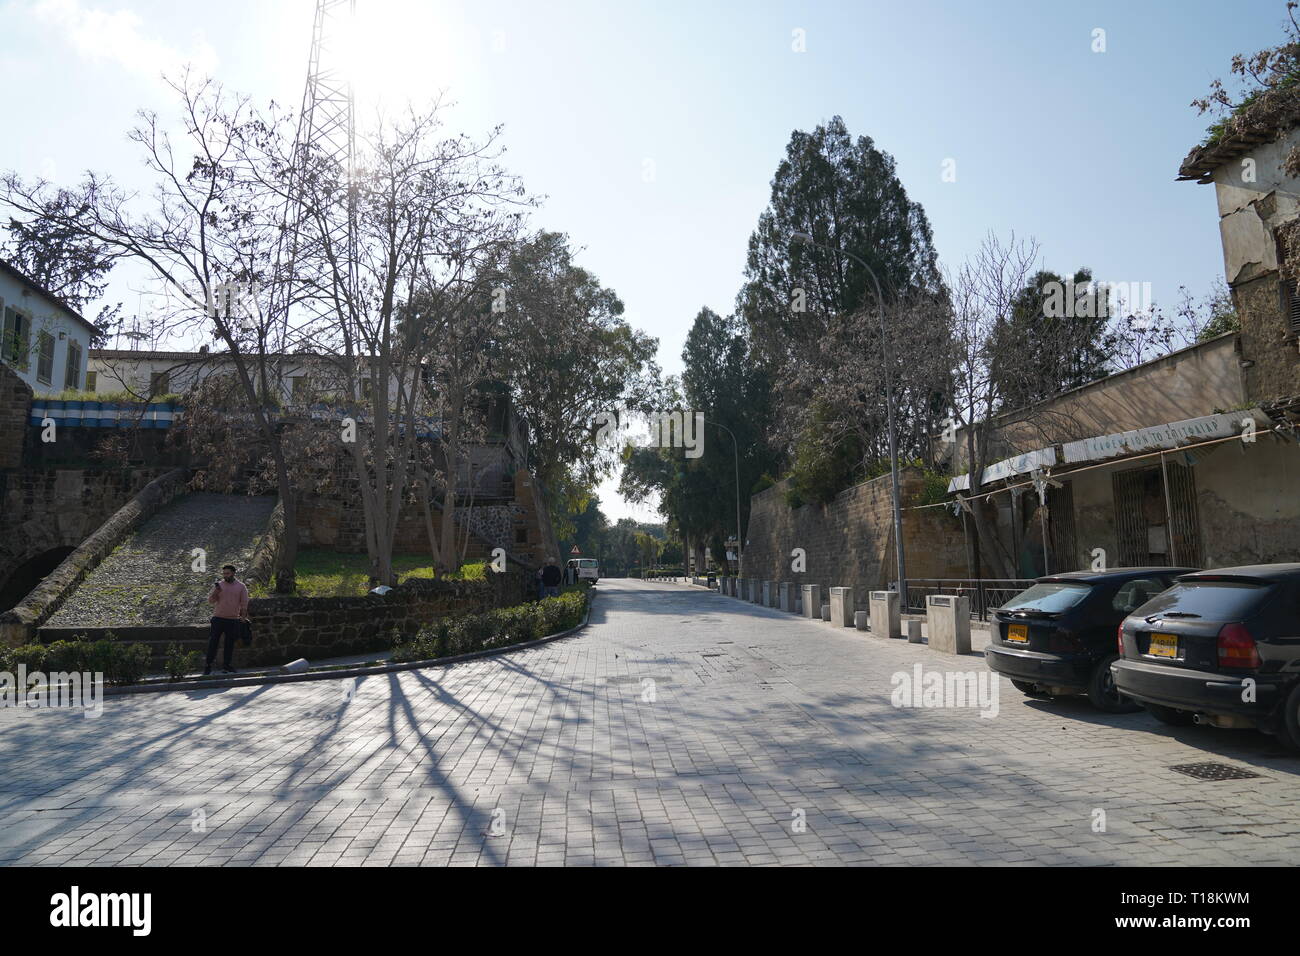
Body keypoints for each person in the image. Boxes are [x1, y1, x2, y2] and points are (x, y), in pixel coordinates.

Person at [206, 564, 249, 675]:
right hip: (218, 618)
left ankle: (227, 666)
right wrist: (216, 592)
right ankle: (208, 666)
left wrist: (243, 618)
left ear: (233, 573)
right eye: (224, 573)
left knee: (229, 644)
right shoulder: (219, 585)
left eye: (228, 573)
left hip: (233, 620)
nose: (225, 576)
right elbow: (210, 601)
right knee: (213, 643)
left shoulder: (241, 586)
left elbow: (244, 604)